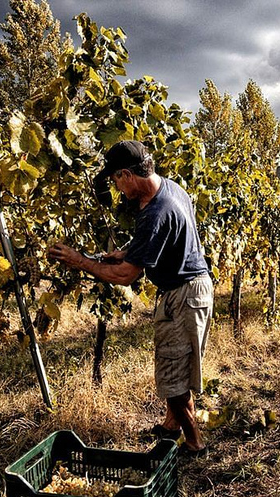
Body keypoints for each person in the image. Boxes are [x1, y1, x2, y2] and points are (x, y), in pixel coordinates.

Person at [47, 140, 213, 457]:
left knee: (173, 378)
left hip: (182, 295)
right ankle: (169, 428)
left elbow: (125, 276)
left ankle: (193, 444)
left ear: (127, 174)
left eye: (116, 181)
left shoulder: (155, 211)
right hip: (194, 288)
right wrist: (129, 253)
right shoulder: (171, 188)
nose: (117, 189)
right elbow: (171, 238)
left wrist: (78, 260)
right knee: (179, 367)